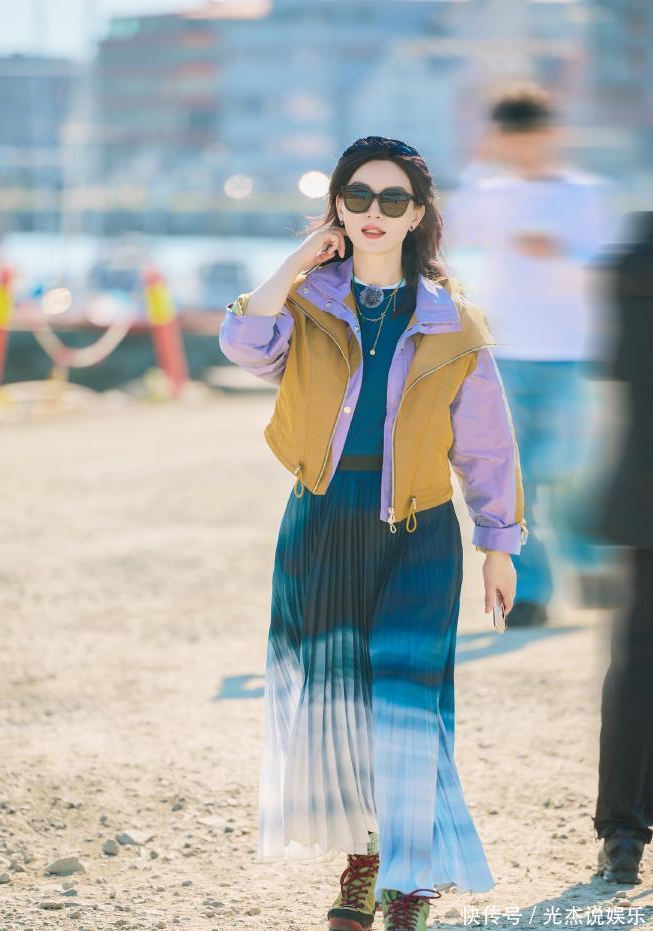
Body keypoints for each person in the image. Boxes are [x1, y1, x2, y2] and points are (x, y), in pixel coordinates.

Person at [218, 135, 528, 931]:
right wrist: (298, 260)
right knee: (343, 706)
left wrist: (499, 543)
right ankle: (364, 862)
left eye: (394, 199)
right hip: (322, 521)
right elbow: (243, 343)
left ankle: (411, 879)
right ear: (338, 207)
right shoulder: (308, 301)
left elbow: (487, 444)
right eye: (358, 196)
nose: (375, 213)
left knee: (407, 704)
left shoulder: (454, 321)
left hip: (420, 532)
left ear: (418, 214)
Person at [444, 84, 612, 627]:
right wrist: (478, 162)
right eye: (513, 138)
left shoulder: (584, 194)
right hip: (507, 353)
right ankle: (534, 594)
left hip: (573, 354)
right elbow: (448, 236)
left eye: (532, 136)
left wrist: (560, 254)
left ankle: (589, 559)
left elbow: (610, 271)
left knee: (570, 470)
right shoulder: (488, 191)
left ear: (553, 134)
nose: (524, 148)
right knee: (521, 476)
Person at [590, 211, 653, 884]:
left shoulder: (633, 258)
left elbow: (616, 365)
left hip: (644, 489)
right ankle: (624, 829)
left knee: (637, 661)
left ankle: (625, 832)